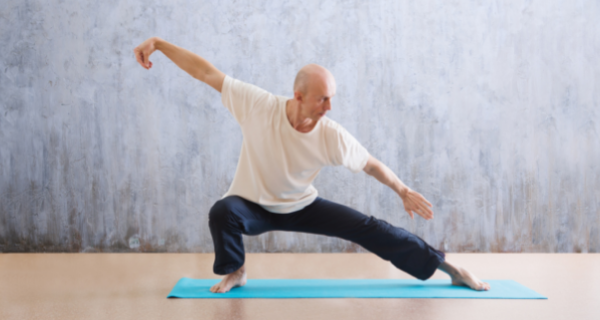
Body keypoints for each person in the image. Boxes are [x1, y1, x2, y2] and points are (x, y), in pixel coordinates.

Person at [133, 37, 491, 294]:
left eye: (332, 98)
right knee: (222, 212)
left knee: (371, 228)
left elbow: (369, 164)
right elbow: (205, 73)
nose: (329, 108)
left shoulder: (329, 134)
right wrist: (160, 45)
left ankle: (448, 268)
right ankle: (236, 271)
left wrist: (402, 190)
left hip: (302, 206)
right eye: (323, 99)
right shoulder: (258, 106)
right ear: (299, 97)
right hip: (252, 206)